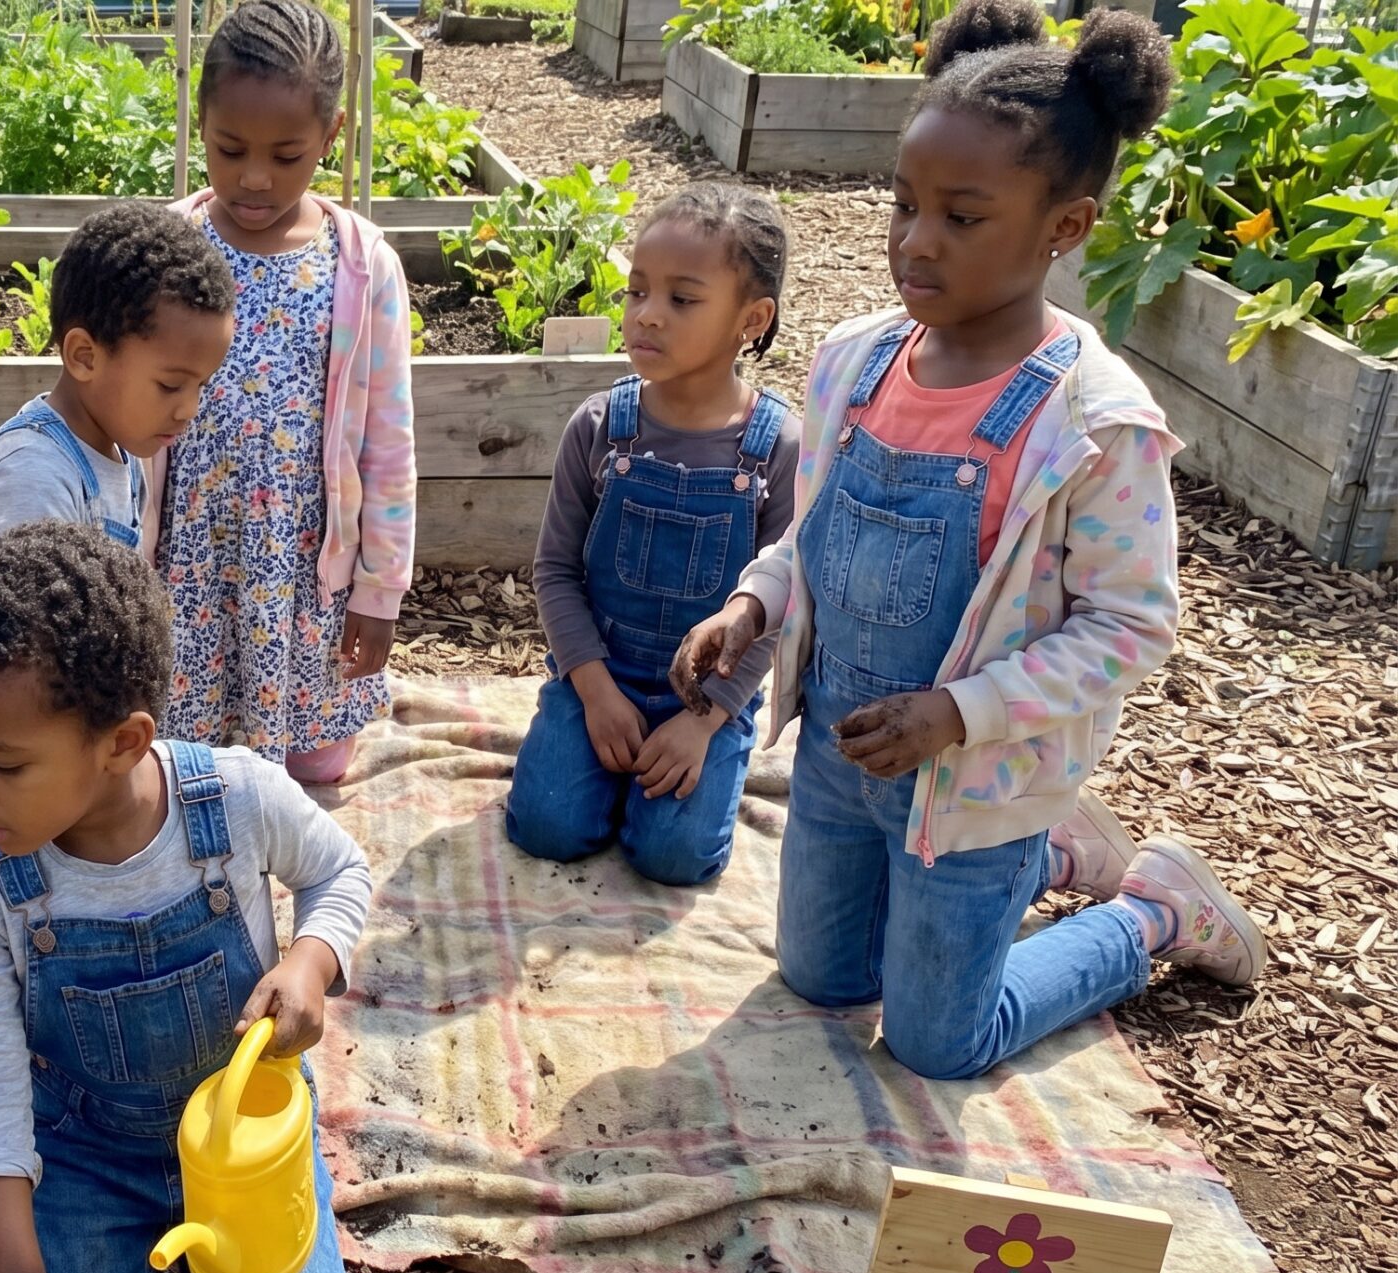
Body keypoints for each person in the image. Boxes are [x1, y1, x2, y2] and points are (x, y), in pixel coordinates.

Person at [670, 0, 1267, 1083]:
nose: (915, 240)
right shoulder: (855, 363)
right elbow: (812, 535)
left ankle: (1143, 914)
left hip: (980, 781)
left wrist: (959, 713)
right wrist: (751, 605)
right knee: (823, 982)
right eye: (904, 205)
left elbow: (1131, 628)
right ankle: (1056, 859)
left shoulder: (1091, 424)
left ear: (1065, 227)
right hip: (841, 755)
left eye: (962, 216)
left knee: (941, 1041)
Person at [0, 524, 367, 1273]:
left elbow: (338, 870)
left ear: (123, 741)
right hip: (84, 1155)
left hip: (243, 1142)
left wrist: (312, 964)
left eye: (4, 762)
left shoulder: (235, 798)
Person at [0, 202, 235, 1015]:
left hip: (24, 720)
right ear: (85, 355)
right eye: (172, 384)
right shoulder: (33, 476)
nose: (187, 408)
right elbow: (20, 656)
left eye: (200, 386)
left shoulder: (118, 450)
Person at [149, 0, 418, 787]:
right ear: (200, 124)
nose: (254, 178)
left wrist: (380, 589)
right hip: (189, 547)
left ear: (331, 139)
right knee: (185, 750)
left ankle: (286, 755)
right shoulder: (171, 243)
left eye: (287, 155)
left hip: (299, 554)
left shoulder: (361, 266)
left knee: (314, 760)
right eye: (230, 150)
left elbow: (389, 445)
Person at [505, 183, 797, 887]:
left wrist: (707, 721)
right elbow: (555, 572)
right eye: (637, 291)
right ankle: (589, 758)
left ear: (751, 319)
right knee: (548, 825)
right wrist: (595, 691)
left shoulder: (777, 446)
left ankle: (693, 766)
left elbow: (782, 607)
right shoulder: (603, 427)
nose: (647, 315)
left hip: (703, 698)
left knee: (674, 856)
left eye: (681, 299)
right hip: (598, 673)